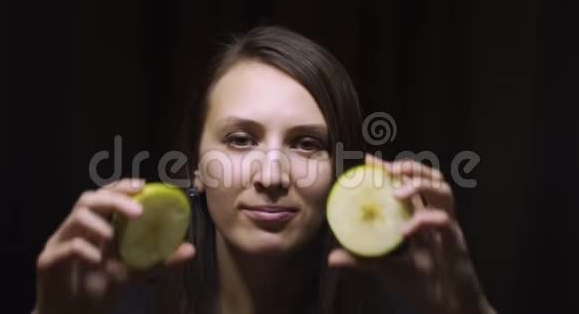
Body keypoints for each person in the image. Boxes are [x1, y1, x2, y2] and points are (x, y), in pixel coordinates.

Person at [33, 25, 496, 314]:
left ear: (341, 172)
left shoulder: (413, 308)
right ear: (194, 165)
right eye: (240, 140)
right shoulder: (115, 307)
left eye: (307, 144)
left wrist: (469, 310)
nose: (271, 176)